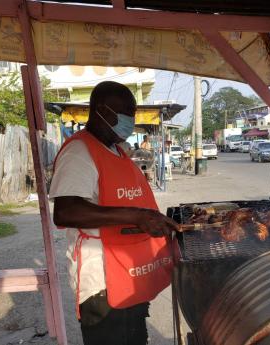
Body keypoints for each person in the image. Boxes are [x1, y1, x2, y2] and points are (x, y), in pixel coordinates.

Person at [50, 81, 179, 345]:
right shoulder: (79, 151)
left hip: (130, 272)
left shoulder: (117, 150)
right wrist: (135, 216)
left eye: (132, 115)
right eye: (124, 114)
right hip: (102, 282)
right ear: (100, 110)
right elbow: (66, 211)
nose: (129, 121)